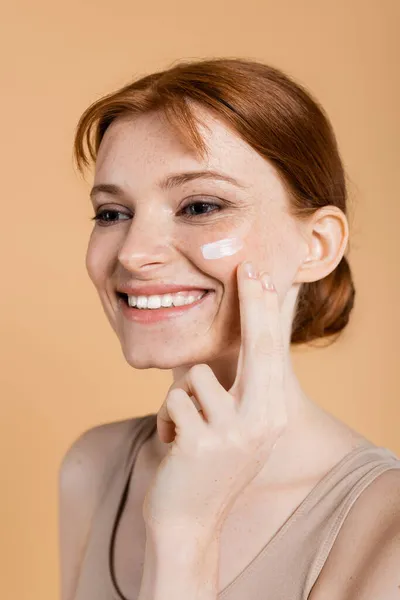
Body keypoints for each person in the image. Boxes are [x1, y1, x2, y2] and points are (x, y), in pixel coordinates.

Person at [59, 57, 400, 600]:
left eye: (199, 205)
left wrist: (186, 534)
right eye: (111, 213)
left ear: (318, 246)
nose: (134, 252)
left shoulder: (386, 530)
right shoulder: (93, 469)